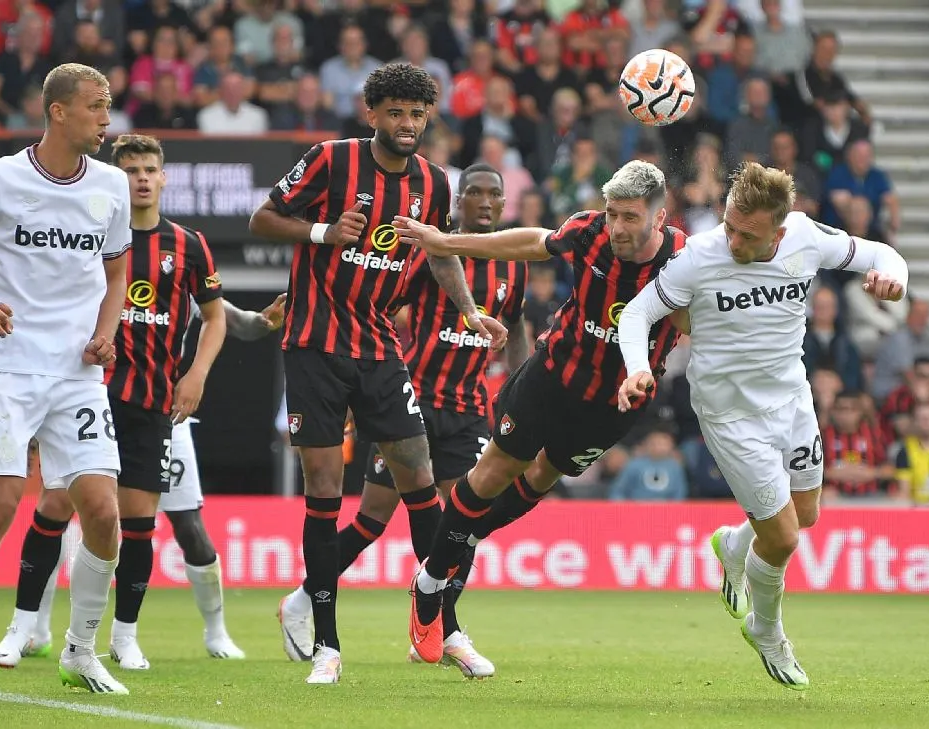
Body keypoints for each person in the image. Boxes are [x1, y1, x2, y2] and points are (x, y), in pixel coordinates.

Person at [248, 62, 507, 684]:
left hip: (379, 347)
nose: (407, 124)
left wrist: (470, 312)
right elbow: (262, 218)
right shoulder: (331, 159)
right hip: (314, 344)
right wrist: (322, 230)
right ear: (372, 114)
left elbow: (438, 255)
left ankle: (442, 625)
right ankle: (327, 645)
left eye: (417, 114)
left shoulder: (434, 182)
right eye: (395, 113)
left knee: (419, 476)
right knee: (324, 488)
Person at [0, 134, 284, 671]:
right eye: (131, 170)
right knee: (55, 505)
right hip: (87, 392)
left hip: (153, 401)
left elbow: (215, 316)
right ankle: (23, 626)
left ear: (163, 178)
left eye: (150, 169)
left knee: (142, 521)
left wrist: (195, 376)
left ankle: (125, 638)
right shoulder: (89, 232)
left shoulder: (188, 244)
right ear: (115, 177)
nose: (142, 178)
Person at [615, 162, 909, 690]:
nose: (732, 240)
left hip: (791, 399)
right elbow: (636, 315)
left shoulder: (806, 237)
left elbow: (881, 254)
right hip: (730, 414)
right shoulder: (699, 256)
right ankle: (766, 629)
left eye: (747, 235)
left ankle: (734, 545)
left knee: (807, 513)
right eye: (729, 225)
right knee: (783, 538)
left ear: (779, 228)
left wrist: (894, 278)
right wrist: (637, 368)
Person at [394, 160, 689, 665]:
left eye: (630, 217)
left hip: (615, 402)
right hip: (551, 378)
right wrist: (447, 242)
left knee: (541, 478)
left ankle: (458, 544)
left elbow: (698, 318)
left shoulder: (686, 259)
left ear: (659, 218)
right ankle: (430, 583)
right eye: (612, 214)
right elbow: (532, 242)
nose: (617, 227)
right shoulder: (589, 232)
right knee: (494, 473)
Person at [0, 63, 133, 699]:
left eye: (108, 106)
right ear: (58, 111)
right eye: (96, 106)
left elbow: (117, 275)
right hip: (7, 364)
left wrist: (107, 333)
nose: (106, 118)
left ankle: (80, 651)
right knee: (1, 505)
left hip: (76, 372)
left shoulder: (112, 186)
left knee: (104, 513)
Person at [276, 164, 529, 678]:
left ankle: (436, 625)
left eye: (493, 195)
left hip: (467, 410)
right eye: (474, 193)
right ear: (457, 202)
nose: (484, 202)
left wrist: (517, 394)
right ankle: (304, 598)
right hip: (415, 398)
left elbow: (516, 326)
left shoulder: (512, 264)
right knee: (372, 519)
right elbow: (379, 303)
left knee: (467, 519)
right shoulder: (431, 253)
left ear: (505, 204)